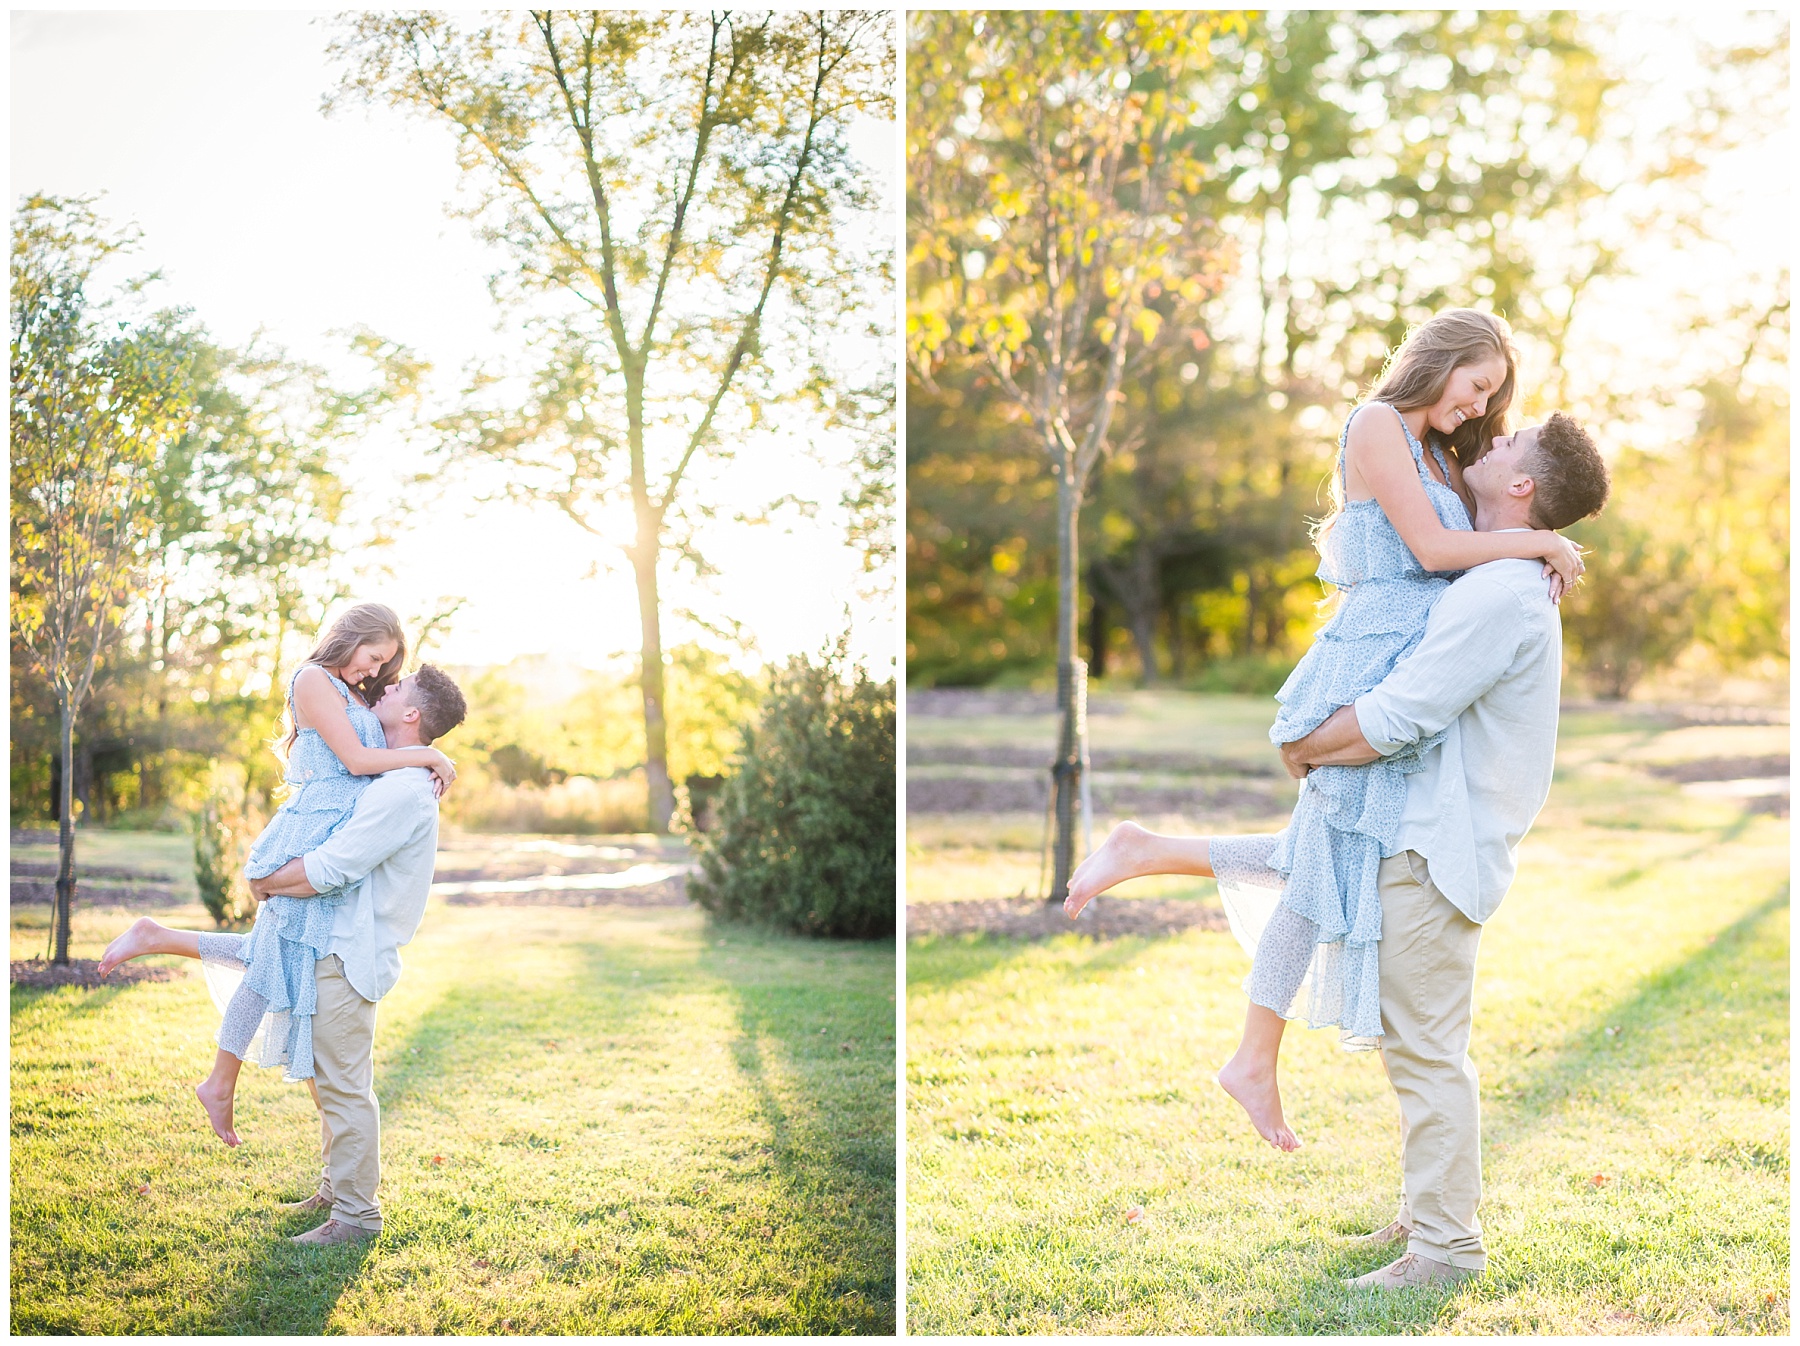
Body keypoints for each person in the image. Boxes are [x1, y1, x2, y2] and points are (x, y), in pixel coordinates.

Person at [1069, 405, 1610, 1288]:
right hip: (1416, 830)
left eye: (1507, 444)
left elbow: (1402, 716)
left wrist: (1307, 744)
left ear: (1523, 486)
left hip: (1439, 854)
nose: (1490, 437)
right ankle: (1421, 1218)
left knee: (1429, 1054)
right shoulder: (1499, 573)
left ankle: (1446, 1251)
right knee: (1391, 1007)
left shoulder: (1500, 591)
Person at [101, 660, 467, 1244]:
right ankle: (335, 1187)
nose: (383, 686)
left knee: (345, 1088)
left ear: (411, 714)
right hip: (331, 941)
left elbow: (333, 868)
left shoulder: (402, 792)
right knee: (326, 1079)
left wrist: (268, 881)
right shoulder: (392, 776)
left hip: (349, 956)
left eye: (395, 687)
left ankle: (356, 1218)